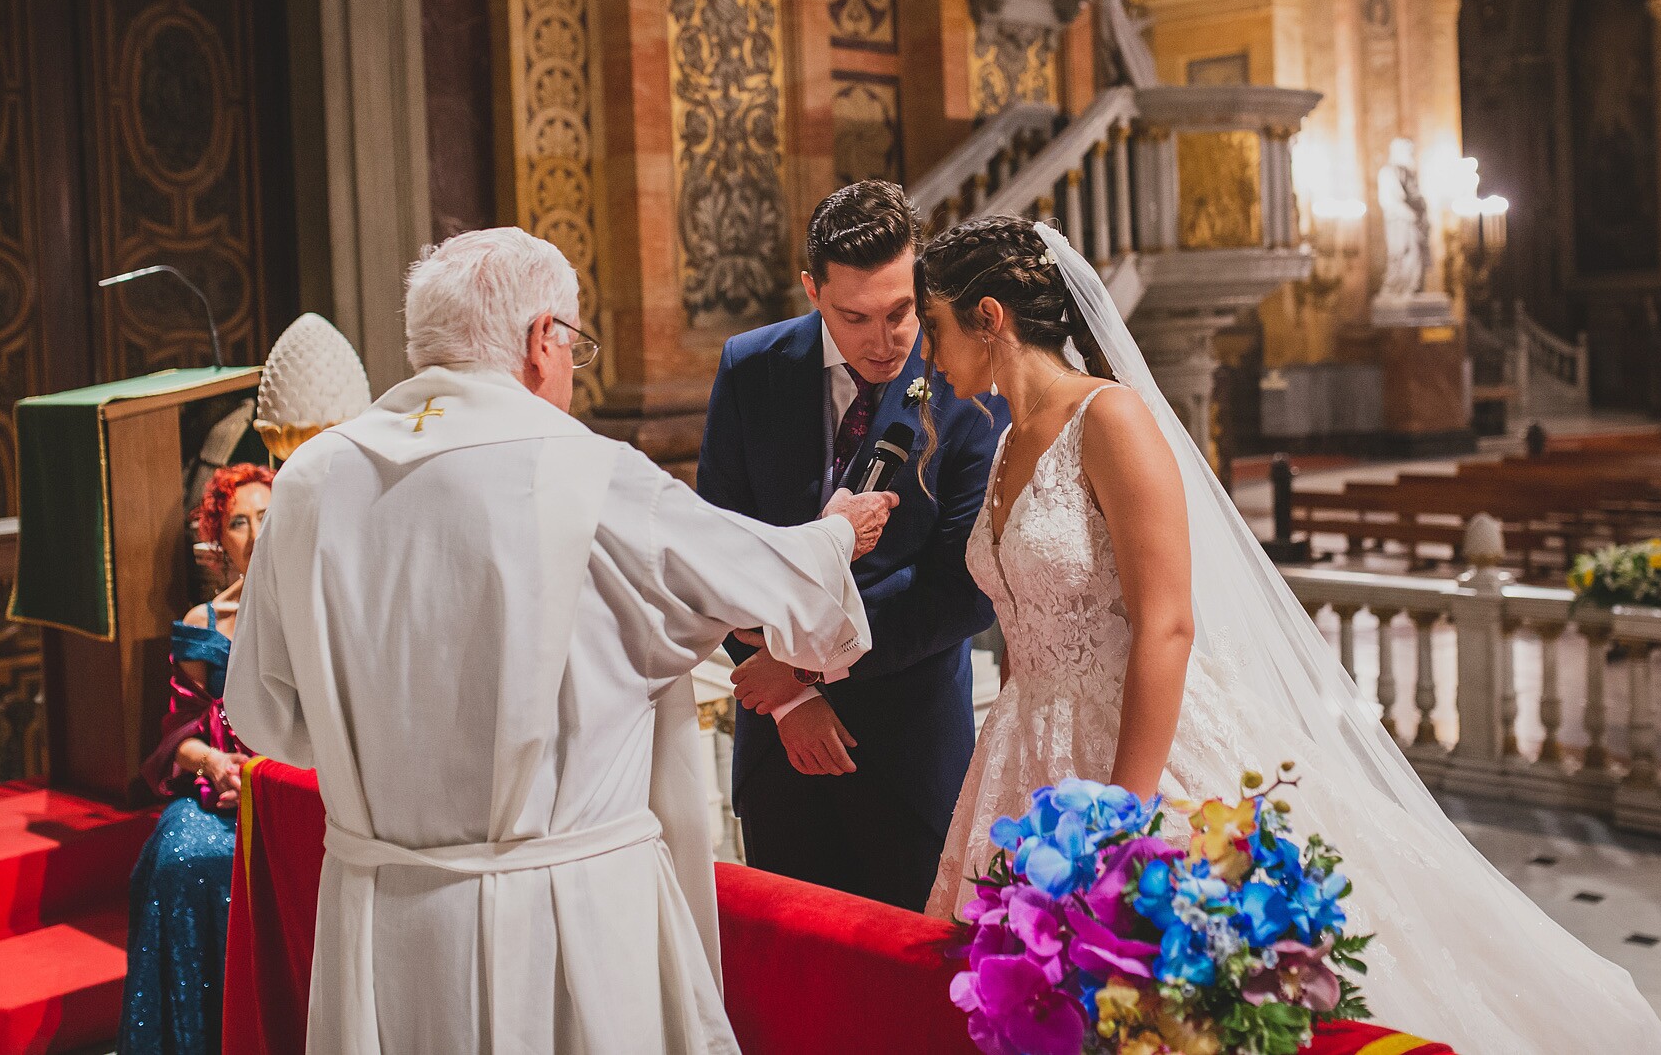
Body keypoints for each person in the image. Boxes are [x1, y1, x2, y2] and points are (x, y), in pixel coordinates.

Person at [916, 215, 1661, 1054]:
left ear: (990, 317)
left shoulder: (1113, 419)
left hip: (1134, 749)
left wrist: (1120, 822)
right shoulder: (1002, 443)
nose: (928, 355)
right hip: (1020, 751)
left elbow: (1167, 622)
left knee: (1182, 1006)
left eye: (934, 328)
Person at [225, 228, 891, 1055]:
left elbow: (265, 713)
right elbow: (778, 589)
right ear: (545, 339)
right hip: (564, 913)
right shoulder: (584, 473)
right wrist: (830, 535)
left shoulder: (311, 477)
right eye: (575, 345)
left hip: (381, 918)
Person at [697, 181, 1005, 910]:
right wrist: (789, 702)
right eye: (853, 316)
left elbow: (958, 587)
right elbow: (719, 552)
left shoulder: (966, 381)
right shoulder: (751, 368)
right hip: (783, 754)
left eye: (900, 311)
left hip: (911, 752)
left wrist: (805, 664)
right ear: (812, 290)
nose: (884, 339)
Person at [121, 462, 271, 1055]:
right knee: (179, 858)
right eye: (239, 522)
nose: (257, 533)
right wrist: (212, 761)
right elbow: (174, 737)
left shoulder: (323, 607)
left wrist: (267, 781)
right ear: (219, 541)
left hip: (295, 788)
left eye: (268, 516)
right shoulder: (202, 626)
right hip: (219, 794)